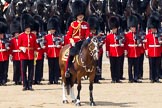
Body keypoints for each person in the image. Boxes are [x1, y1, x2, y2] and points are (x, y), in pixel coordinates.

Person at [65, 0, 90, 78]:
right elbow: (69, 35)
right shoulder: (73, 24)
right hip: (75, 42)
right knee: (71, 54)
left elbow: (87, 34)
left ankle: (93, 68)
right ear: (76, 16)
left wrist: (88, 38)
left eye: (82, 15)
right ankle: (67, 69)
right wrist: (71, 40)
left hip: (83, 42)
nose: (81, 16)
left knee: (92, 53)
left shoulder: (86, 24)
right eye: (79, 15)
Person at [19, 13, 36, 90]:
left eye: (29, 28)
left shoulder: (33, 36)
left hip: (31, 55)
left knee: (31, 71)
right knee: (23, 71)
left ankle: (30, 85)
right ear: (25, 28)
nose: (28, 29)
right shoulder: (21, 35)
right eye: (27, 28)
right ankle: (24, 85)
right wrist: (22, 48)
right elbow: (19, 45)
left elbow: (35, 45)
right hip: (24, 55)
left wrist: (35, 52)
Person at [105, 16, 124, 83]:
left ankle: (118, 78)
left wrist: (121, 45)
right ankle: (113, 78)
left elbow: (123, 43)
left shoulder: (120, 35)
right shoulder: (108, 36)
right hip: (112, 53)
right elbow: (107, 45)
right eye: (113, 29)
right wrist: (107, 52)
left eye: (115, 28)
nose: (114, 30)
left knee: (118, 66)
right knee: (112, 66)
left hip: (119, 52)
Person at [44, 16, 62, 84]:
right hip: (50, 53)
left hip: (57, 53)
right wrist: (45, 53)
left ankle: (56, 79)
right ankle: (51, 80)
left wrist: (59, 46)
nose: (52, 31)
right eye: (51, 29)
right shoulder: (46, 37)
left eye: (53, 29)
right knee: (50, 68)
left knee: (56, 68)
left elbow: (61, 45)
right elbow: (45, 46)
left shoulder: (58, 37)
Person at [144, 12, 161, 83]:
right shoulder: (148, 36)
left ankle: (156, 77)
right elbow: (146, 44)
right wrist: (147, 52)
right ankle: (151, 78)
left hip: (158, 52)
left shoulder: (160, 35)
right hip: (151, 52)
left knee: (157, 66)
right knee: (151, 66)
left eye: (154, 28)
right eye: (152, 28)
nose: (153, 30)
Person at [125, 15, 142, 83]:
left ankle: (135, 78)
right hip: (130, 52)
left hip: (136, 52)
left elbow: (140, 42)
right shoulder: (127, 35)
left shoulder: (138, 34)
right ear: (130, 27)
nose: (133, 29)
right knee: (130, 67)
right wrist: (126, 51)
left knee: (136, 66)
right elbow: (126, 44)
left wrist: (139, 45)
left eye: (134, 27)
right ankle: (130, 78)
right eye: (132, 27)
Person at [10, 17, 22, 85]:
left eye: (18, 33)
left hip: (20, 55)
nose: (17, 35)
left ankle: (20, 80)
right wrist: (11, 55)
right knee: (15, 68)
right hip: (15, 56)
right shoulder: (12, 40)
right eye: (16, 34)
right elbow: (11, 48)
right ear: (14, 34)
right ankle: (15, 80)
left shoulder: (21, 39)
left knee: (20, 68)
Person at [0, 21, 9, 86]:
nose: (2, 35)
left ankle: (4, 80)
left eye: (2, 34)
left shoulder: (5, 40)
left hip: (5, 56)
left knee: (5, 70)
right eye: (1, 34)